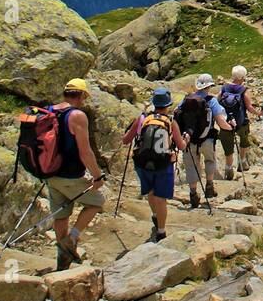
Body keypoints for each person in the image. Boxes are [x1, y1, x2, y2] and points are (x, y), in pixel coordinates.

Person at [48, 78, 108, 270]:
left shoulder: (50, 111)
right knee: (97, 202)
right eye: (84, 96)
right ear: (81, 95)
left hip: (49, 173)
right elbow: (85, 152)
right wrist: (97, 176)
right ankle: (72, 239)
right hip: (70, 174)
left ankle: (62, 257)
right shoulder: (77, 116)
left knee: (61, 213)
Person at [122, 87, 187, 243]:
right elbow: (181, 146)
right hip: (163, 163)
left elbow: (126, 140)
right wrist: (186, 138)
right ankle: (161, 231)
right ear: (168, 105)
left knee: (151, 191)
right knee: (161, 197)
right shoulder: (171, 121)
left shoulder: (142, 118)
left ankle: (155, 215)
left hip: (142, 162)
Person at [175, 73, 231, 209]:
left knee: (191, 166)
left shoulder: (186, 99)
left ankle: (193, 194)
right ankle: (209, 186)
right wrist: (230, 128)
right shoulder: (211, 100)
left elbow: (176, 115)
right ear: (210, 86)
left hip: (189, 139)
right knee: (210, 161)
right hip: (207, 139)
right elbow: (220, 120)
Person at [217, 66, 256, 180]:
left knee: (228, 146)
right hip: (241, 121)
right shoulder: (244, 90)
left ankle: (228, 168)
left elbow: (217, 101)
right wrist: (259, 113)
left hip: (227, 122)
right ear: (242, 77)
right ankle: (242, 161)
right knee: (244, 141)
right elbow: (249, 107)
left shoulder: (224, 88)